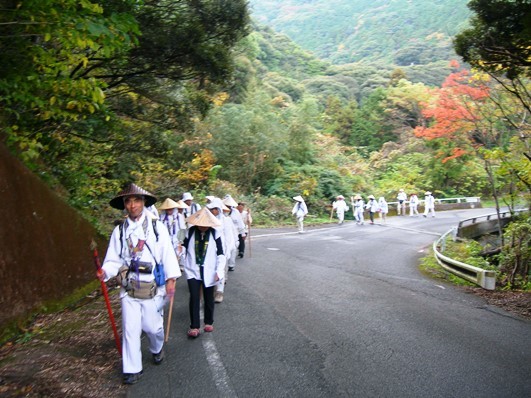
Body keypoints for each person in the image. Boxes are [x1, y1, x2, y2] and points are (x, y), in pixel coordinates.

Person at [99, 183, 180, 385]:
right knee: (130, 329)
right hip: (129, 288)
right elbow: (113, 260)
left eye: (136, 200)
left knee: (152, 328)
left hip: (152, 288)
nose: (132, 205)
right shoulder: (119, 231)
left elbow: (167, 254)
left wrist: (171, 279)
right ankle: (132, 368)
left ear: (143, 202)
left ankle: (156, 347)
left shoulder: (156, 228)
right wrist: (105, 271)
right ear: (124, 205)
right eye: (128, 201)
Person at [182, 207, 226, 337]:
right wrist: (179, 252)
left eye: (206, 225)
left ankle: (208, 321)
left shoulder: (215, 234)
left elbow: (221, 254)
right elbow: (183, 248)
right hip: (192, 270)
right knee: (194, 297)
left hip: (210, 270)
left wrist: (219, 271)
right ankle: (194, 326)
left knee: (208, 297)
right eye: (201, 224)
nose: (203, 227)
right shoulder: (189, 232)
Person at [207, 198, 237, 303]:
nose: (213, 211)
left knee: (221, 271)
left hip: (222, 249)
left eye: (215, 209)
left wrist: (227, 251)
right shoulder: (207, 220)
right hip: (210, 250)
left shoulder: (225, 220)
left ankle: (219, 292)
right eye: (212, 209)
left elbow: (229, 237)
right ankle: (210, 288)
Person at [223, 195, 246, 270]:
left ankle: (231, 265)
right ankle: (224, 264)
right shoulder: (221, 211)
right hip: (223, 233)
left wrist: (243, 233)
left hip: (234, 233)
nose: (228, 206)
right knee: (224, 248)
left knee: (233, 248)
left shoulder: (235, 212)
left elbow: (240, 223)